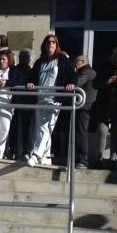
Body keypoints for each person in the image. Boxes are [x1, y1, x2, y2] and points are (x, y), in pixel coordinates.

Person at [25, 34, 77, 167]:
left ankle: (36, 155)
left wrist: (71, 83)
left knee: (46, 128)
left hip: (54, 99)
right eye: (48, 42)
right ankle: (46, 157)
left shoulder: (62, 60)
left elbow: (72, 75)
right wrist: (30, 82)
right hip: (40, 98)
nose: (51, 44)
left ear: (56, 45)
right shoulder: (40, 61)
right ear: (44, 44)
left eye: (53, 42)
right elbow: (31, 77)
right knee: (40, 129)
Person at [73, 55, 97, 169]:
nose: (74, 64)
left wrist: (72, 76)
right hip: (83, 107)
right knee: (79, 132)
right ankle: (79, 159)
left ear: (82, 62)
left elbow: (77, 82)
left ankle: (83, 160)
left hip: (84, 107)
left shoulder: (87, 71)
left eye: (76, 62)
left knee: (81, 133)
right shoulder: (87, 71)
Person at [10, 49, 34, 160]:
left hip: (28, 103)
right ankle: (16, 152)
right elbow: (13, 83)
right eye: (23, 56)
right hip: (17, 102)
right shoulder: (14, 69)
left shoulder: (31, 70)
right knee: (17, 129)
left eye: (26, 57)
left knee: (27, 129)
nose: (25, 59)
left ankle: (25, 152)